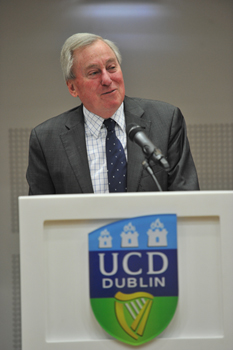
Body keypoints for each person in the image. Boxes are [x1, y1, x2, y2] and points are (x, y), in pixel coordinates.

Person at [26, 33, 199, 195]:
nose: (107, 80)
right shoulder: (46, 140)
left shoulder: (166, 121)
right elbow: (39, 215)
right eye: (94, 73)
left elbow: (188, 199)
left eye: (111, 68)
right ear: (72, 87)